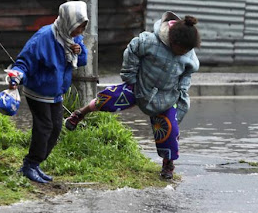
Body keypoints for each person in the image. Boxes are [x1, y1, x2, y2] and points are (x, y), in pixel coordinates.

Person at [65, 11, 201, 180]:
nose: (183, 53)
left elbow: (187, 73)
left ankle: (168, 163)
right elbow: (132, 49)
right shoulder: (150, 41)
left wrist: (182, 89)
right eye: (181, 50)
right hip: (139, 87)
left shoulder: (189, 56)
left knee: (169, 131)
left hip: (165, 98)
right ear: (172, 41)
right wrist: (130, 76)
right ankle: (79, 114)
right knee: (107, 99)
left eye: (187, 51)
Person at [9, 1, 89, 183]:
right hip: (38, 91)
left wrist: (79, 50)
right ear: (69, 21)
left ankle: (36, 164)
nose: (80, 32)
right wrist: (16, 76)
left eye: (83, 28)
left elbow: (82, 61)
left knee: (56, 128)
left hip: (55, 93)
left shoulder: (72, 37)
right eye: (78, 27)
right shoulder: (44, 37)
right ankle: (29, 165)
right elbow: (23, 61)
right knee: (44, 127)